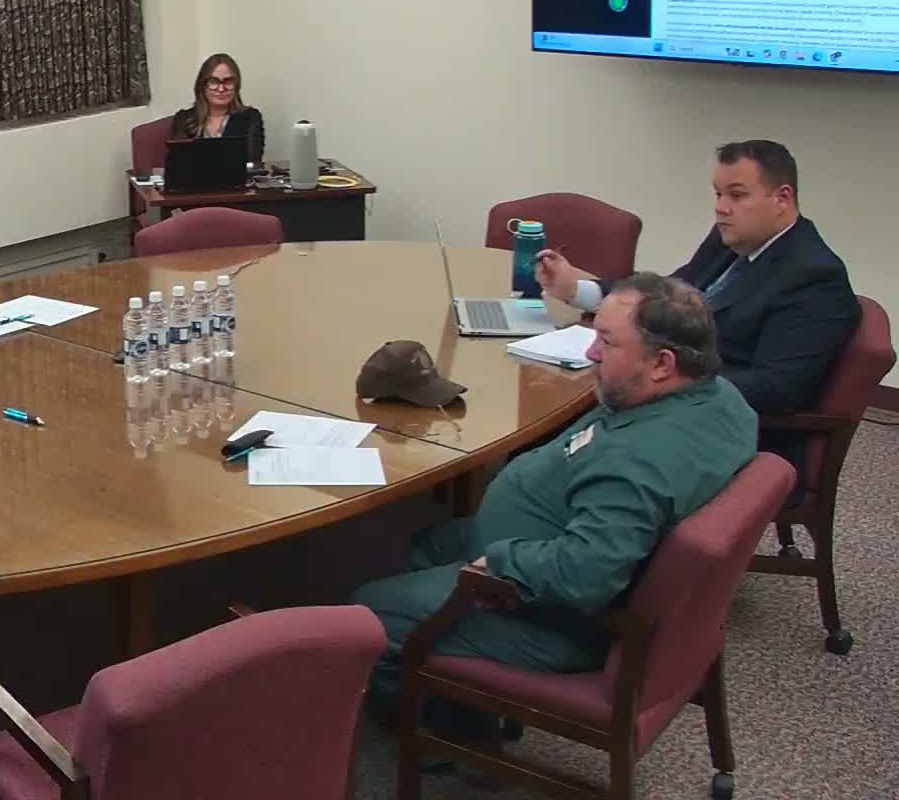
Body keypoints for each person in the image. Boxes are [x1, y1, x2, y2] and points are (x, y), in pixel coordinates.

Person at [351, 274, 754, 766]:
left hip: (547, 615)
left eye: (607, 342)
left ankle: (436, 742)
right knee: (417, 543)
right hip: (546, 543)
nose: (591, 353)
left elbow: (585, 575)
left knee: (369, 610)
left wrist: (502, 559)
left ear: (662, 364)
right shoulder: (721, 400)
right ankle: (461, 712)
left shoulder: (638, 463)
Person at [535, 140, 858, 478]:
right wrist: (577, 289)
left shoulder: (815, 277)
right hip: (658, 397)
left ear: (782, 198)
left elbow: (779, 389)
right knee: (547, 419)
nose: (721, 208)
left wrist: (664, 377)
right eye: (718, 194)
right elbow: (667, 294)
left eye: (736, 195)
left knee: (553, 443)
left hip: (723, 429)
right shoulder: (731, 239)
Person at [170, 53, 264, 163]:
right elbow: (181, 162)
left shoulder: (250, 118)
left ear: (236, 85)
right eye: (214, 82)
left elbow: (252, 162)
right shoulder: (184, 119)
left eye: (228, 82)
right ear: (202, 85)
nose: (221, 89)